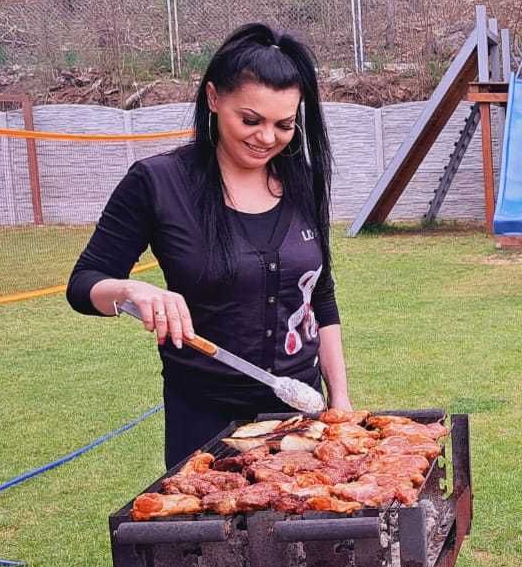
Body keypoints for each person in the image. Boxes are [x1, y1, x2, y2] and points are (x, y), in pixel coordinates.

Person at [68, 23, 352, 467]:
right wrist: (131, 291)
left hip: (300, 414)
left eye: (284, 125)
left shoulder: (305, 181)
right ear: (214, 98)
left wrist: (340, 399)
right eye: (250, 120)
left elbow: (321, 295)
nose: (266, 139)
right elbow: (83, 285)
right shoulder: (158, 182)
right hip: (203, 420)